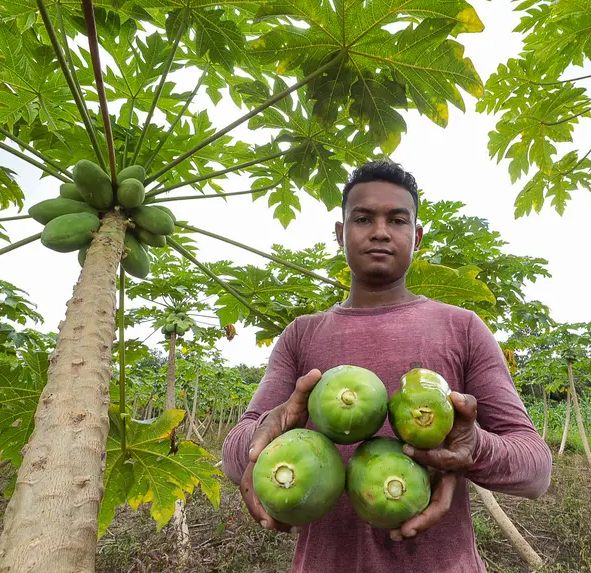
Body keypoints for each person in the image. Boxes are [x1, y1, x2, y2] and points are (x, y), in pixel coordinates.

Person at [222, 160, 552, 573]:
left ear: (417, 236)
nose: (380, 231)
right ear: (341, 233)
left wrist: (468, 450)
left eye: (397, 219)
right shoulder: (300, 335)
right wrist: (267, 430)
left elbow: (535, 469)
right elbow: (234, 455)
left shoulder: (463, 328)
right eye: (363, 218)